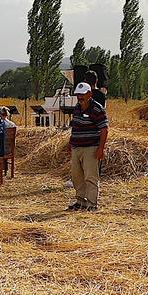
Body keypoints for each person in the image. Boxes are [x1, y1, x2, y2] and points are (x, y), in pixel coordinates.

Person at [67, 81, 109, 211]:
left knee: (90, 177)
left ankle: (92, 204)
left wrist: (100, 149)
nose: (80, 97)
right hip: (76, 147)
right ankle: (81, 201)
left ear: (89, 94)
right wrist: (70, 142)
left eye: (82, 95)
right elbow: (75, 127)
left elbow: (104, 129)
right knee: (77, 176)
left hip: (91, 148)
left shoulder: (97, 109)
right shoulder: (77, 108)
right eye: (78, 95)